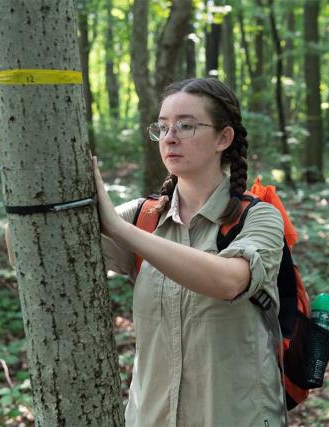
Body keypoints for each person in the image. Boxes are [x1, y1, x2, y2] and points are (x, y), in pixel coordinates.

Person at [94, 78, 287, 426]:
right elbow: (26, 252)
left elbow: (228, 281)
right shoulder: (144, 218)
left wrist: (119, 230)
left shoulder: (259, 217)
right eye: (163, 126)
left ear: (223, 138)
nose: (170, 137)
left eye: (186, 125)